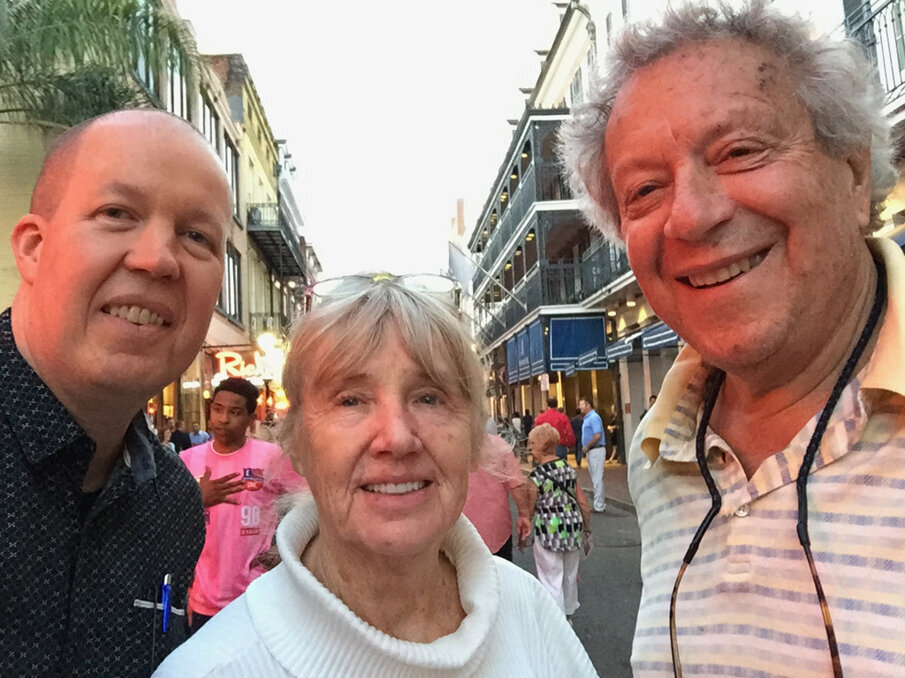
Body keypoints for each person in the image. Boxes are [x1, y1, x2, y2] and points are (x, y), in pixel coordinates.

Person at [560, 1, 905, 675]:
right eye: (644, 189)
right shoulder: (659, 456)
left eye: (740, 151)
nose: (690, 215)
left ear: (854, 171)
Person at [154, 274, 598, 677]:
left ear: (471, 439)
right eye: (351, 400)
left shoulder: (530, 611)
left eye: (429, 398)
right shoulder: (211, 668)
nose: (397, 438)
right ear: (298, 446)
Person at [0, 108, 232, 675]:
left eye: (196, 236)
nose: (157, 259)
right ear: (32, 247)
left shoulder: (173, 506)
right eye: (116, 214)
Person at [179, 377, 302, 634]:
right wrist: (195, 502)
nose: (223, 419)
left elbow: (306, 502)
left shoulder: (271, 458)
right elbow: (169, 525)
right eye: (218, 409)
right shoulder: (187, 460)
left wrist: (285, 554)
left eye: (234, 412)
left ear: (249, 418)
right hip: (204, 600)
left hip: (257, 596)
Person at [526, 423, 591, 622]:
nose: (530, 448)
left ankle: (558, 621)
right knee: (570, 575)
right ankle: (569, 612)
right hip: (572, 527)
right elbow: (582, 502)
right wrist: (586, 528)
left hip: (548, 530)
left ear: (540, 446)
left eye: (531, 444)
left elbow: (529, 507)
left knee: (550, 577)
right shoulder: (568, 469)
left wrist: (526, 526)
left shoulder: (536, 476)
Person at [463, 433, 534, 561]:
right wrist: (524, 515)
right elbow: (516, 484)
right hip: (496, 529)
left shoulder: (446, 445)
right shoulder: (498, 445)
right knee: (501, 575)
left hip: (458, 531)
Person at [578, 397, 606, 512]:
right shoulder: (587, 418)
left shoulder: (594, 418)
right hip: (592, 450)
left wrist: (588, 446)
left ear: (588, 405)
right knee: (595, 477)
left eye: (581, 404)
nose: (580, 407)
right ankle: (599, 503)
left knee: (597, 477)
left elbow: (597, 435)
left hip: (596, 450)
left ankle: (599, 505)